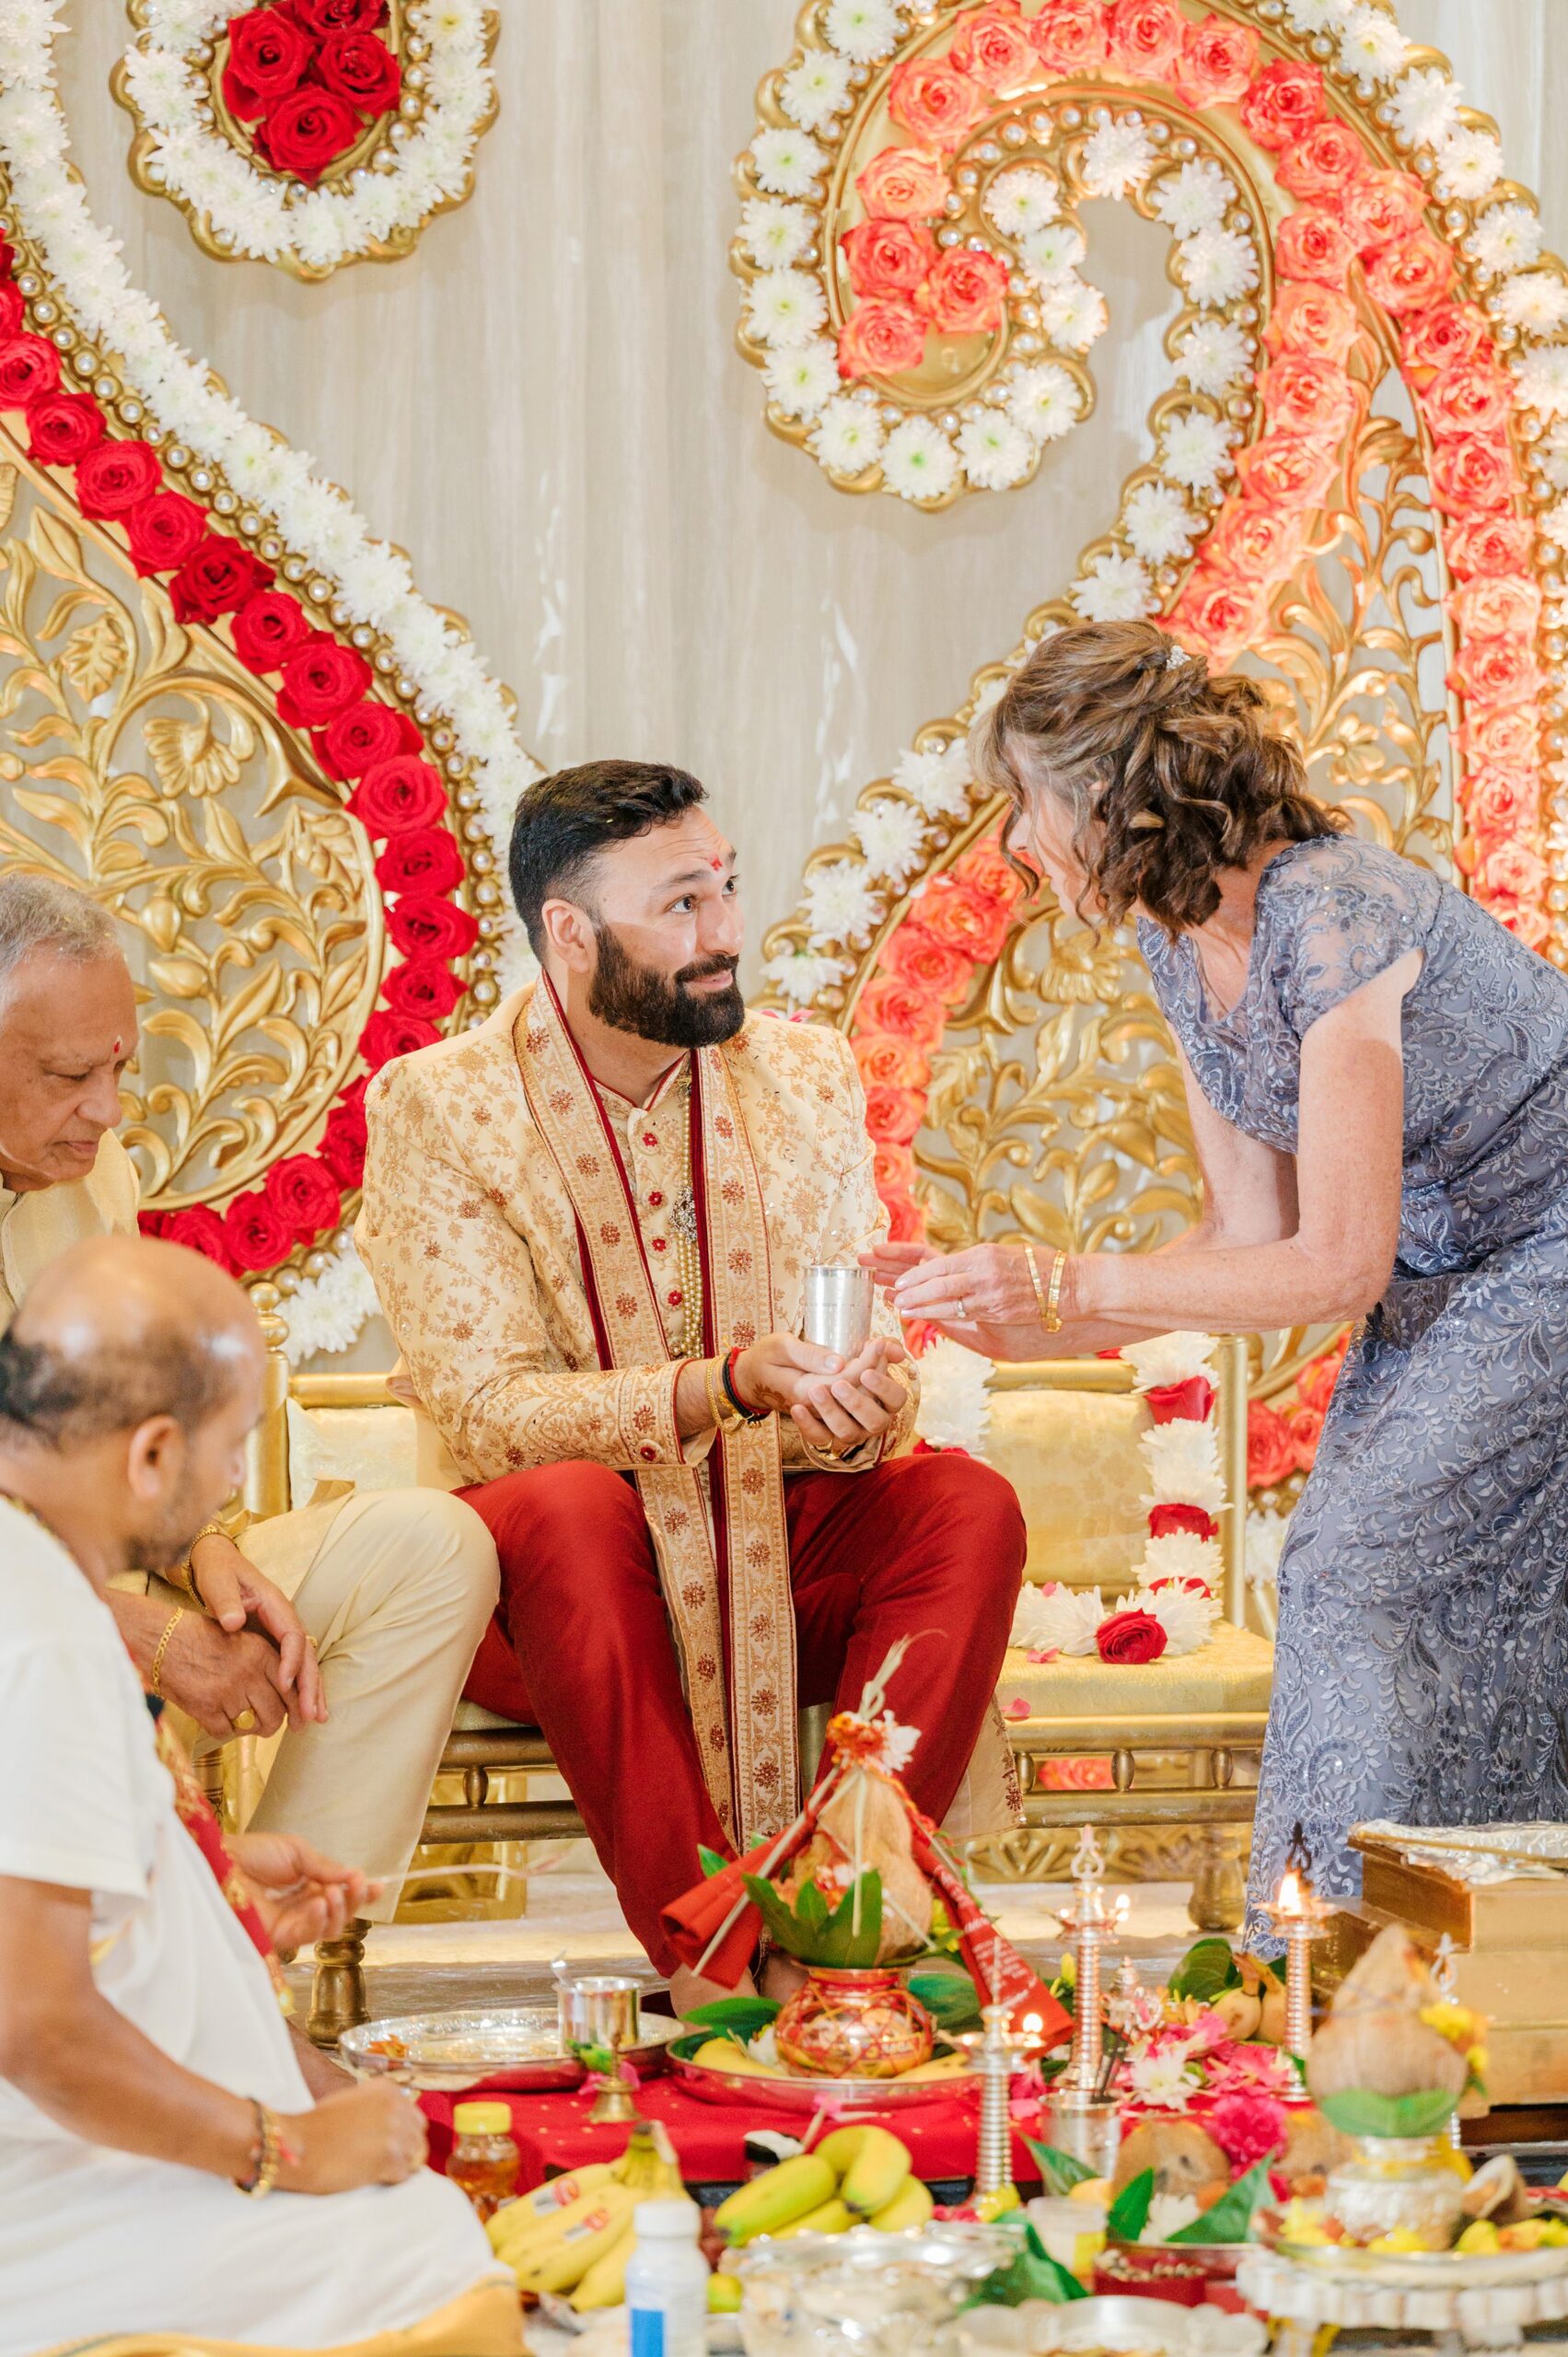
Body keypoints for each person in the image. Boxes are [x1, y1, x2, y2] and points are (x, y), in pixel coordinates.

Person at [869, 619, 1568, 1936]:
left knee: (1349, 1570)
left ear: (1107, 792)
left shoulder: (1331, 916)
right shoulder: (1170, 937)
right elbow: (1246, 1232)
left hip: (1545, 1253)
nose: (1012, 846)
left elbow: (1333, 1268)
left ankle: (1334, 1968)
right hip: (1444, 1271)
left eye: (1023, 804)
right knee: (1397, 1590)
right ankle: (1420, 1971)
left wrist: (1066, 1281)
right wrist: (1016, 1330)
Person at [357, 761, 1026, 2008]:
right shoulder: (438, 1104)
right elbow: (485, 1414)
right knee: (568, 1506)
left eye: (725, 890)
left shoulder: (803, 1073)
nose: (723, 935)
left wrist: (857, 1410)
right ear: (568, 932)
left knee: (962, 1505)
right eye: (679, 906)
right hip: (553, 1592)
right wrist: (713, 1386)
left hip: (773, 1531)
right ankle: (721, 1966)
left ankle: (841, 1925)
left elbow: (841, 1337)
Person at [0, 1235, 517, 2355]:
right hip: (42, 2199)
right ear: (149, 1454)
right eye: (230, 1452)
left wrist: (208, 1896)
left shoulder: (31, 1581)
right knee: (434, 2260)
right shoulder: (44, 1633)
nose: (236, 1486)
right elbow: (32, 2022)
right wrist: (282, 2145)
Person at [0, 875, 499, 1924]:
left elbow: (133, 1414)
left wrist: (207, 1552)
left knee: (429, 1546)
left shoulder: (98, 1175)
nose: (108, 1108)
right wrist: (138, 1635)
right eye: (67, 1074)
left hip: (124, 1577)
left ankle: (270, 1943)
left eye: (119, 1067)